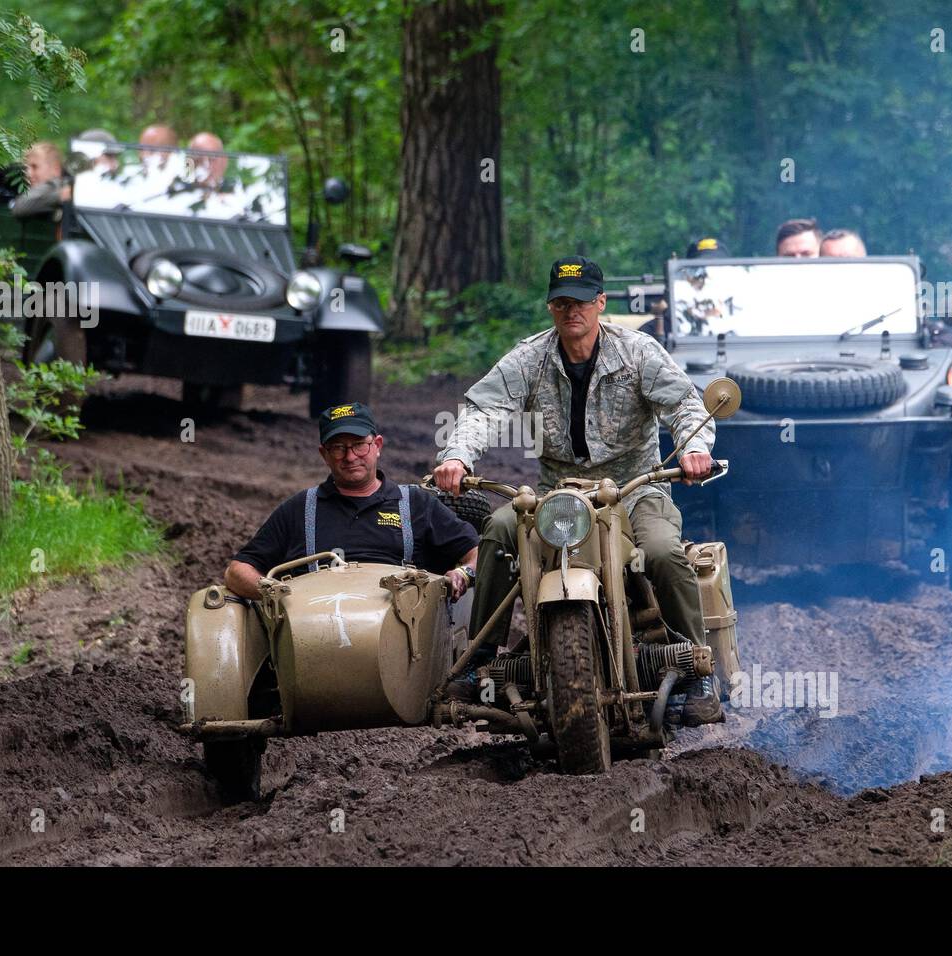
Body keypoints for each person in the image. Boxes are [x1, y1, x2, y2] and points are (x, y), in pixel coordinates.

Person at [433, 255, 724, 725]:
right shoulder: (530, 357)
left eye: (583, 302)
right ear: (551, 308)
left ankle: (697, 669)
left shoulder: (638, 352)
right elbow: (482, 409)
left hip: (634, 489)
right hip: (558, 495)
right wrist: (457, 456)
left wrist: (694, 449)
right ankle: (481, 658)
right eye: (562, 303)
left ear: (601, 303)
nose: (573, 311)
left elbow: (686, 405)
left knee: (665, 551)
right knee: (499, 530)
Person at [225, 403, 480, 603]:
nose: (350, 457)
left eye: (359, 445)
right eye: (338, 448)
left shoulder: (415, 504)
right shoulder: (300, 509)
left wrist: (463, 574)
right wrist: (273, 593)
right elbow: (237, 571)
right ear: (324, 454)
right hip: (314, 635)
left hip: (405, 640)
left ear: (377, 445)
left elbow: (479, 553)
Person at [12, 141, 69, 219]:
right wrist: (59, 196)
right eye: (26, 168)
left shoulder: (53, 186)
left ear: (56, 169)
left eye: (35, 167)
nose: (28, 174)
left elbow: (20, 207)